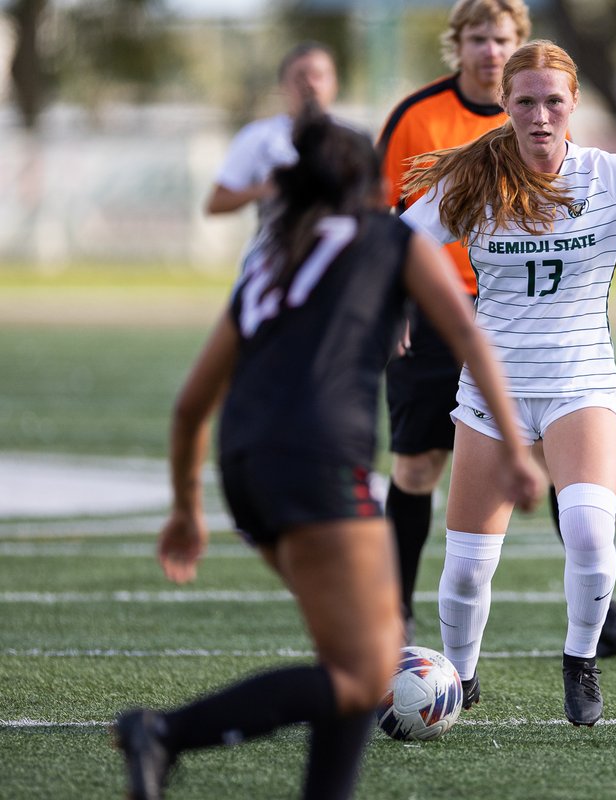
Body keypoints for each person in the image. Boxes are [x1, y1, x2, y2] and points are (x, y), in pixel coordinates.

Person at [113, 107, 543, 800]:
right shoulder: (389, 239)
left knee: (352, 656)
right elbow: (468, 335)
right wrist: (518, 451)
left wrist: (187, 510)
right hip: (315, 460)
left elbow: (191, 404)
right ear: (369, 185)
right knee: (365, 673)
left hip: (245, 466)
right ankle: (165, 732)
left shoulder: (271, 258)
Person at [400, 40, 616, 727]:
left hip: (580, 383)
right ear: (505, 104)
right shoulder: (474, 179)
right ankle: (460, 678)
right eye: (525, 101)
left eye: (553, 102)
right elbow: (399, 241)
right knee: (469, 568)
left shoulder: (610, 175)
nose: (540, 115)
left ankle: (580, 661)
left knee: (591, 537)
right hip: (492, 394)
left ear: (574, 105)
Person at [376, 0, 616, 659]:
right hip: (439, 314)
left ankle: (598, 609)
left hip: (525, 322)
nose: (490, 48)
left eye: (501, 37)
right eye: (478, 37)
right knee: (419, 463)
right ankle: (391, 614)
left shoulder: (547, 115)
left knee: (562, 454)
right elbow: (387, 216)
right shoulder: (420, 115)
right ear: (460, 46)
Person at [205, 41, 339, 224]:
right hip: (279, 240)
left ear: (335, 83)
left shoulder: (354, 141)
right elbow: (217, 202)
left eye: (318, 75)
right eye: (300, 76)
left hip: (340, 241)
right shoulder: (259, 136)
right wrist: (267, 189)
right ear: (283, 85)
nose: (310, 84)